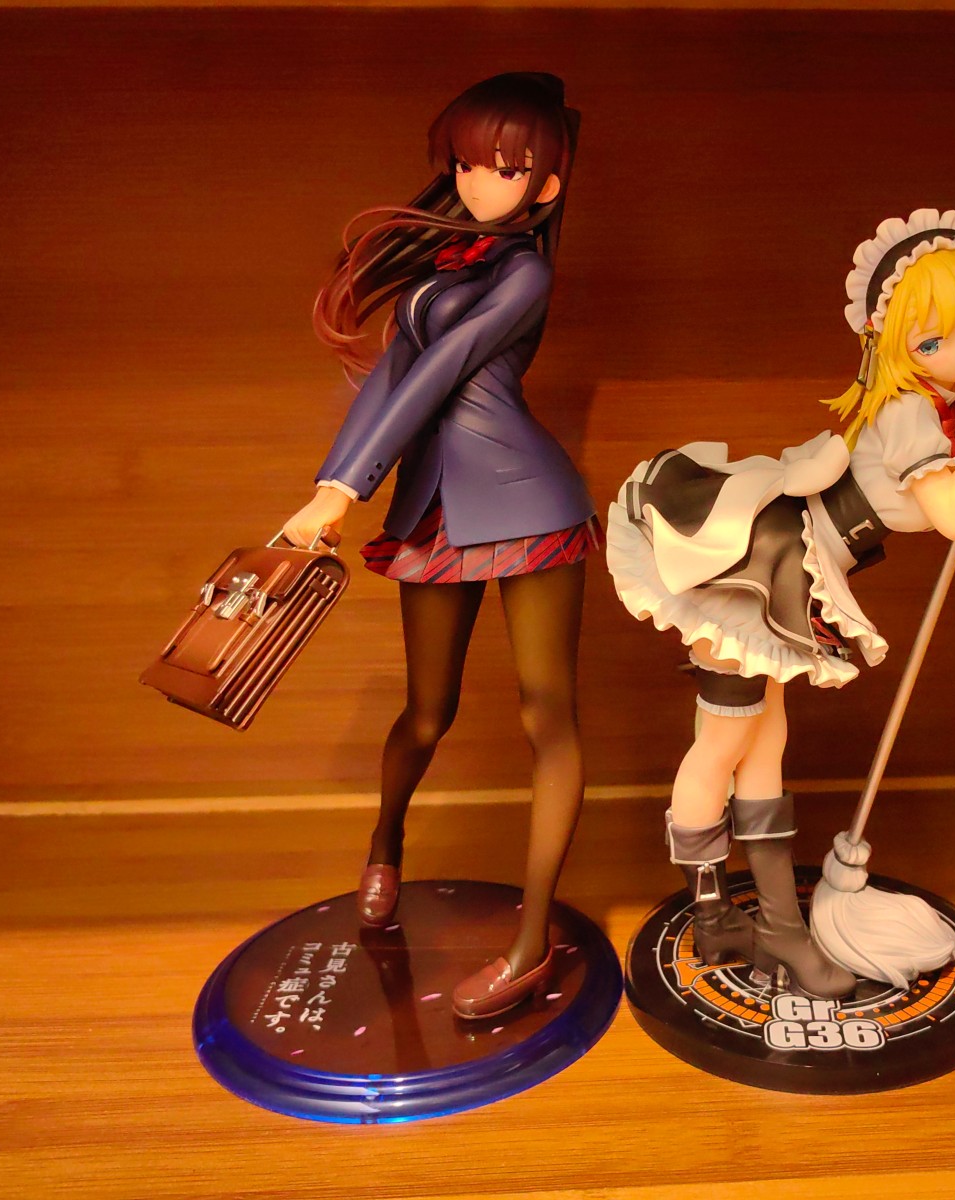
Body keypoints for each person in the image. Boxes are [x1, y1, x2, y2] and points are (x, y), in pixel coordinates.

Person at [606, 209, 955, 997]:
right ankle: (716, 918)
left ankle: (778, 927)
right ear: (895, 347)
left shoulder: (948, 410)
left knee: (765, 742)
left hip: (803, 567)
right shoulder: (910, 410)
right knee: (725, 742)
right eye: (934, 339)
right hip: (764, 559)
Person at [281, 73, 594, 1021]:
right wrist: (331, 486)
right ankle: (386, 843)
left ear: (545, 184)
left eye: (504, 168)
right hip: (435, 510)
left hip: (527, 503)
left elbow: (446, 372)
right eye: (463, 163)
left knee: (547, 716)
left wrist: (346, 489)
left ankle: (530, 946)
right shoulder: (444, 267)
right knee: (428, 711)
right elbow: (391, 382)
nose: (476, 181)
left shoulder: (524, 274)